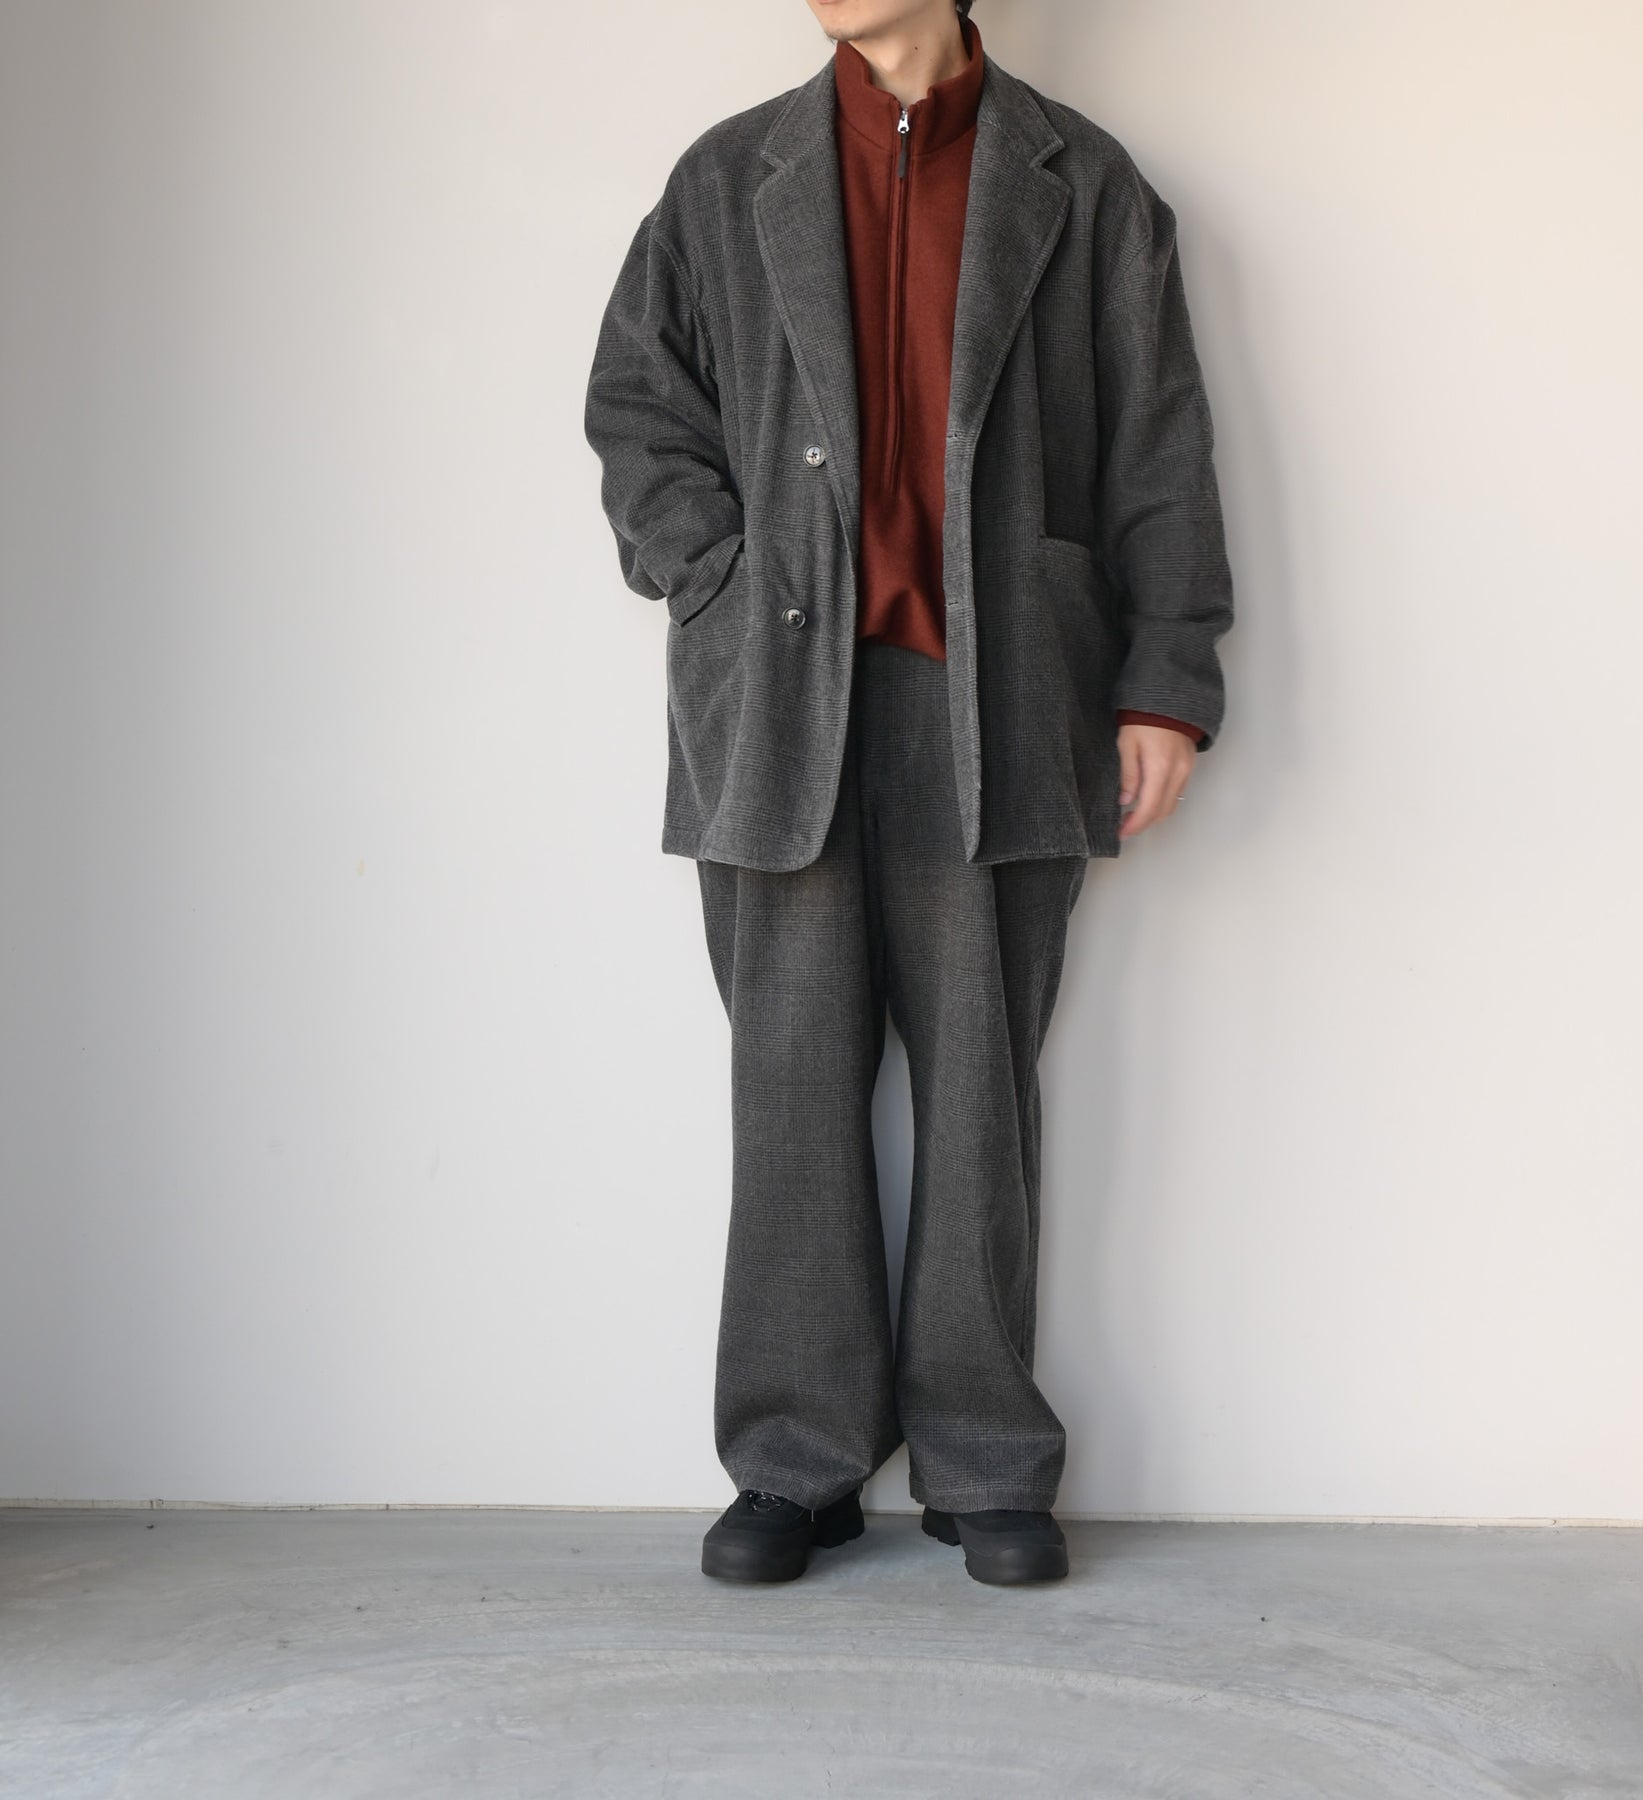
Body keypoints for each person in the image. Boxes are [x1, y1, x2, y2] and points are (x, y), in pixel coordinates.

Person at [583, 0, 1232, 1585]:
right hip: (777, 697)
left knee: (982, 1093)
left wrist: (1166, 681)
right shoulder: (728, 177)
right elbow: (637, 403)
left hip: (1003, 698)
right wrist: (713, 573)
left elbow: (1159, 446)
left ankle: (984, 1456)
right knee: (789, 1087)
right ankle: (792, 1460)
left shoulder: (1084, 184)